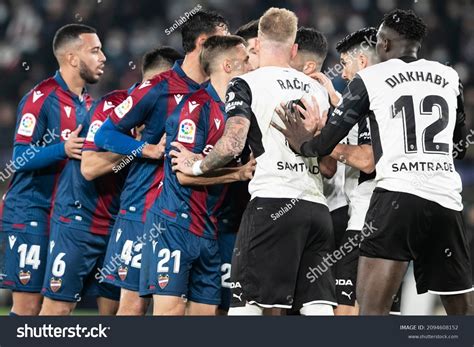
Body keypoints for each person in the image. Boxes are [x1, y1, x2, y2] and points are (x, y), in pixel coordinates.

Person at [274, 9, 472, 315]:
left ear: (385, 45)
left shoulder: (372, 77)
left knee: (371, 314)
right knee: (461, 312)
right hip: (446, 200)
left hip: (396, 198)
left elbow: (324, 143)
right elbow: (458, 147)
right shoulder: (449, 76)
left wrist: (302, 141)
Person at [171, 7, 337, 315]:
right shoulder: (317, 89)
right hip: (316, 210)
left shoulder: (246, 83)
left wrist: (195, 165)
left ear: (257, 45)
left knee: (246, 307)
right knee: (316, 308)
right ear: (294, 48)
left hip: (272, 206)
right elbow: (329, 167)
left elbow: (232, 143)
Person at [93, 10, 230, 315]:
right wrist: (148, 149)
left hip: (195, 215)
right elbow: (105, 135)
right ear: (204, 42)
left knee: (188, 309)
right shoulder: (158, 87)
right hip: (144, 208)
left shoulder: (220, 92)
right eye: (225, 38)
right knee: (134, 305)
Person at [0, 24, 104, 316]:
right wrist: (62, 148)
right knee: (28, 307)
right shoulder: (41, 97)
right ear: (72, 58)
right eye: (95, 50)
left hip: (68, 218)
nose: (103, 57)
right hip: (32, 212)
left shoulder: (91, 104)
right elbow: (19, 156)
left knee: (59, 308)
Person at [149, 35, 254, 315]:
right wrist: (237, 174)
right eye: (246, 60)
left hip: (209, 228)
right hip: (174, 225)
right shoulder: (195, 107)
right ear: (229, 66)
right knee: (170, 314)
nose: (251, 64)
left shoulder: (238, 114)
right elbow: (183, 176)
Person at [82, 47, 183, 316]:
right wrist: (138, 147)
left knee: (172, 303)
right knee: (122, 306)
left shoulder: (186, 106)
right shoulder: (113, 105)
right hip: (121, 216)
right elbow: (89, 167)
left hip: (168, 214)